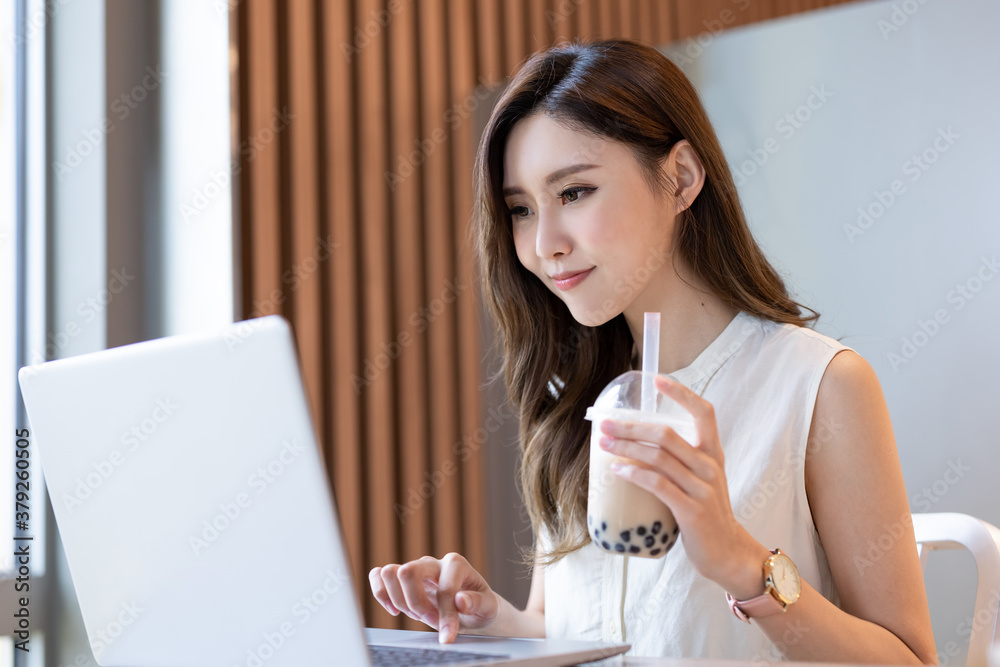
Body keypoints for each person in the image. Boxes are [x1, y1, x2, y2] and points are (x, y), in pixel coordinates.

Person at [369, 39, 937, 663]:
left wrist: (743, 564)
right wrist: (494, 622)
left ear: (681, 177)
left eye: (575, 192)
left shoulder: (819, 386)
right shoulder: (575, 397)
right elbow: (586, 629)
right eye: (521, 209)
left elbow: (911, 660)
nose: (544, 243)